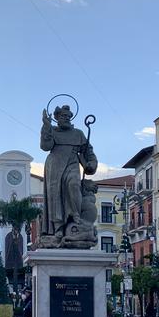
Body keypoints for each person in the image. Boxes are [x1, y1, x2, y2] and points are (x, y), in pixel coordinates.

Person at [38, 105, 99, 248]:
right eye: (63, 116)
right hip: (54, 166)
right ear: (57, 118)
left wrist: (91, 163)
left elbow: (88, 152)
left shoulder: (78, 134)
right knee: (55, 196)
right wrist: (46, 126)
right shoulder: (52, 130)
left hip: (72, 163)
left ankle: (75, 216)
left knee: (73, 185)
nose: (66, 118)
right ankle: (58, 229)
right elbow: (45, 146)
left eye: (68, 116)